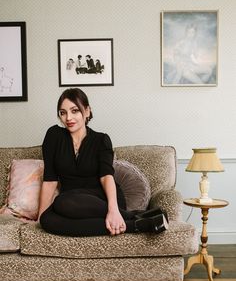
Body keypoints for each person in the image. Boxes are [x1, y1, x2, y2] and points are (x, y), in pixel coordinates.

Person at [38, 88, 168, 237]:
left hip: (102, 199)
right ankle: (138, 222)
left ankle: (123, 215)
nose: (68, 117)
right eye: (63, 112)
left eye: (74, 111)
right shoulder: (53, 136)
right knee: (48, 220)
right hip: (72, 205)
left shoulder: (101, 140)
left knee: (62, 201)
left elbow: (106, 176)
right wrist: (40, 217)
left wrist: (113, 210)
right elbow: (50, 179)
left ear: (87, 111)